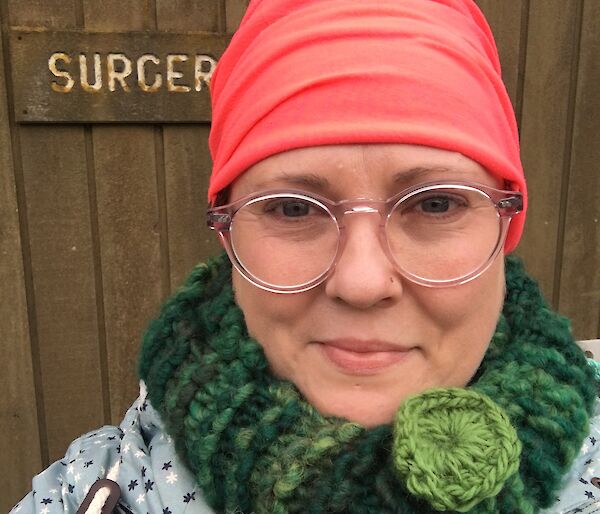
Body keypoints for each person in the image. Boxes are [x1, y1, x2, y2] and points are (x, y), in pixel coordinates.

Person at [11, 0, 600, 513]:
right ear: (228, 232)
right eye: (294, 209)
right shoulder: (91, 495)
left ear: (507, 224)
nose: (363, 282)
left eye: (437, 203)